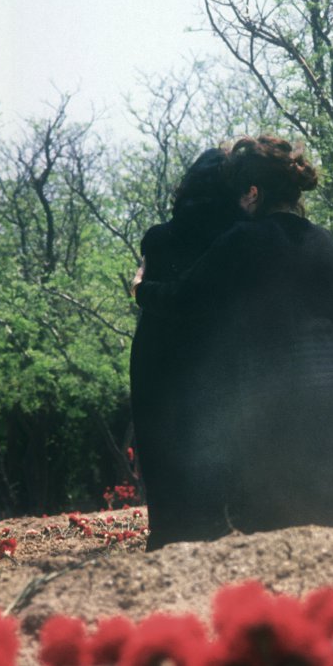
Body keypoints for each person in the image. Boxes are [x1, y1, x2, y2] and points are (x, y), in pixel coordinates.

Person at [134, 135, 333, 539]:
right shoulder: (323, 241)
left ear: (252, 193)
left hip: (292, 439)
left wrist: (139, 288)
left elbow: (184, 299)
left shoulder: (243, 241)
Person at [130, 148, 240, 549]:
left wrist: (140, 290)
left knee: (162, 442)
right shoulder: (237, 235)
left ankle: (167, 530)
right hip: (210, 352)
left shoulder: (159, 237)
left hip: (156, 354)